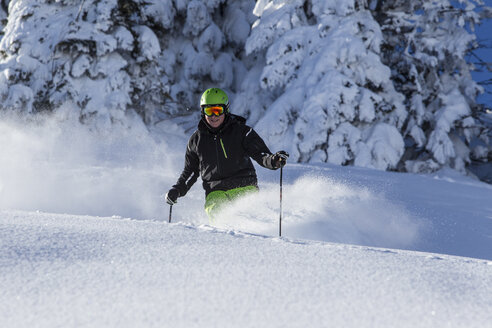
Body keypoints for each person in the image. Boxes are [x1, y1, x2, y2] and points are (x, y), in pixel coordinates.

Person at [165, 88, 288, 220]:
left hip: (244, 186)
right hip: (215, 192)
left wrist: (274, 160)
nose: (213, 116)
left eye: (218, 111)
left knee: (247, 217)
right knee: (218, 213)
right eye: (209, 111)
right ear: (202, 112)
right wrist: (178, 189)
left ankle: (255, 237)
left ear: (226, 110)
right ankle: (225, 238)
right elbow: (191, 171)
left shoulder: (242, 132)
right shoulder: (196, 141)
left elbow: (261, 154)